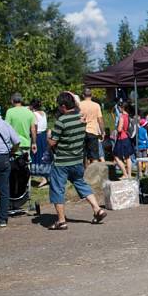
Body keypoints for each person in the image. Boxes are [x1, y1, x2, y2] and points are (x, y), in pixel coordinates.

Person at [47, 92, 107, 230]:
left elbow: (52, 143)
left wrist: (49, 135)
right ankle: (97, 209)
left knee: (57, 189)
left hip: (62, 161)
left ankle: (61, 221)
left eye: (59, 106)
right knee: (81, 183)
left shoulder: (61, 121)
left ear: (63, 106)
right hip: (77, 159)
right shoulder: (81, 118)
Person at [79, 88, 105, 166]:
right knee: (94, 156)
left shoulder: (79, 105)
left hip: (82, 131)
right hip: (93, 131)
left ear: (83, 95)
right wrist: (102, 132)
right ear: (92, 95)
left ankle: (85, 173)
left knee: (84, 155)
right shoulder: (96, 105)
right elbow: (100, 120)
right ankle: (94, 174)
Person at [29, 99, 51, 187]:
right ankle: (46, 176)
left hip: (37, 136)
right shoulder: (43, 113)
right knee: (44, 156)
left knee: (37, 155)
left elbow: (35, 126)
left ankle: (42, 177)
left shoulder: (33, 114)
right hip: (43, 135)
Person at [113, 102, 134, 179]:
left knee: (116, 156)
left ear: (122, 108)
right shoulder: (128, 116)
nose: (118, 109)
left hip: (121, 138)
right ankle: (129, 175)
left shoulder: (122, 117)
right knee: (127, 157)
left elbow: (119, 129)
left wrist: (117, 127)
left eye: (119, 107)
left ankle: (125, 174)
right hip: (127, 137)